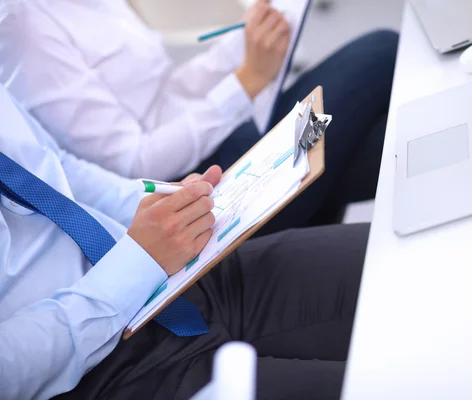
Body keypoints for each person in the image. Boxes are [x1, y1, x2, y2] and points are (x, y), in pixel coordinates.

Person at [0, 85, 367, 400]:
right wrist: (139, 261)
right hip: (108, 377)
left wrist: (165, 205)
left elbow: (55, 169)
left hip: (182, 279)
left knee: (391, 266)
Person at [0, 0, 398, 234]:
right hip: (206, 187)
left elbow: (161, 95)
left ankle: (301, 209)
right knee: (380, 52)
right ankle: (285, 216)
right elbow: (133, 162)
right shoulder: (24, 28)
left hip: (228, 144)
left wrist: (244, 47)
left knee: (366, 143)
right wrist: (246, 81)